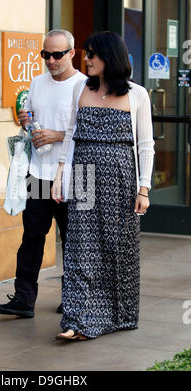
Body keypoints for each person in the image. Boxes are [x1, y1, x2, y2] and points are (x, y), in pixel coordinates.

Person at [52, 31, 154, 340]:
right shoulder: (80, 88)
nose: (87, 59)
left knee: (115, 250)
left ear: (110, 57)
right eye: (86, 53)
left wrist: (144, 189)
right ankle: (77, 321)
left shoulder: (137, 94)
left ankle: (116, 315)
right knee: (80, 249)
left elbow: (146, 145)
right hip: (83, 175)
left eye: (93, 54)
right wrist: (60, 175)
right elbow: (71, 134)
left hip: (121, 181)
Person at [0, 30, 87, 318]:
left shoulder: (85, 86)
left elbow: (89, 132)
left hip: (78, 174)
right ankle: (23, 299)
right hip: (38, 172)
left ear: (72, 53)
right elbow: (30, 122)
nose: (50, 60)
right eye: (45, 54)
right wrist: (26, 121)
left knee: (77, 240)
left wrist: (56, 135)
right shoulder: (36, 82)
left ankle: (74, 298)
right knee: (32, 236)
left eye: (57, 54)